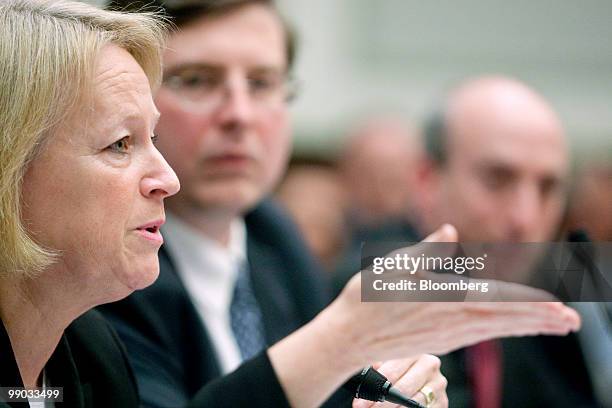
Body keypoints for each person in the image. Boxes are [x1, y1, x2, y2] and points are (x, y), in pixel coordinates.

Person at [99, 1, 582, 408]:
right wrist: (334, 343)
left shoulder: (275, 242)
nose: (239, 115)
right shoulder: (101, 271)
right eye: (198, 81)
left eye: (263, 82)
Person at [414, 75, 601, 407]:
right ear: (428, 181)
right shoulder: (365, 295)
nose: (525, 219)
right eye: (497, 179)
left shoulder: (545, 316)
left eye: (547, 188)